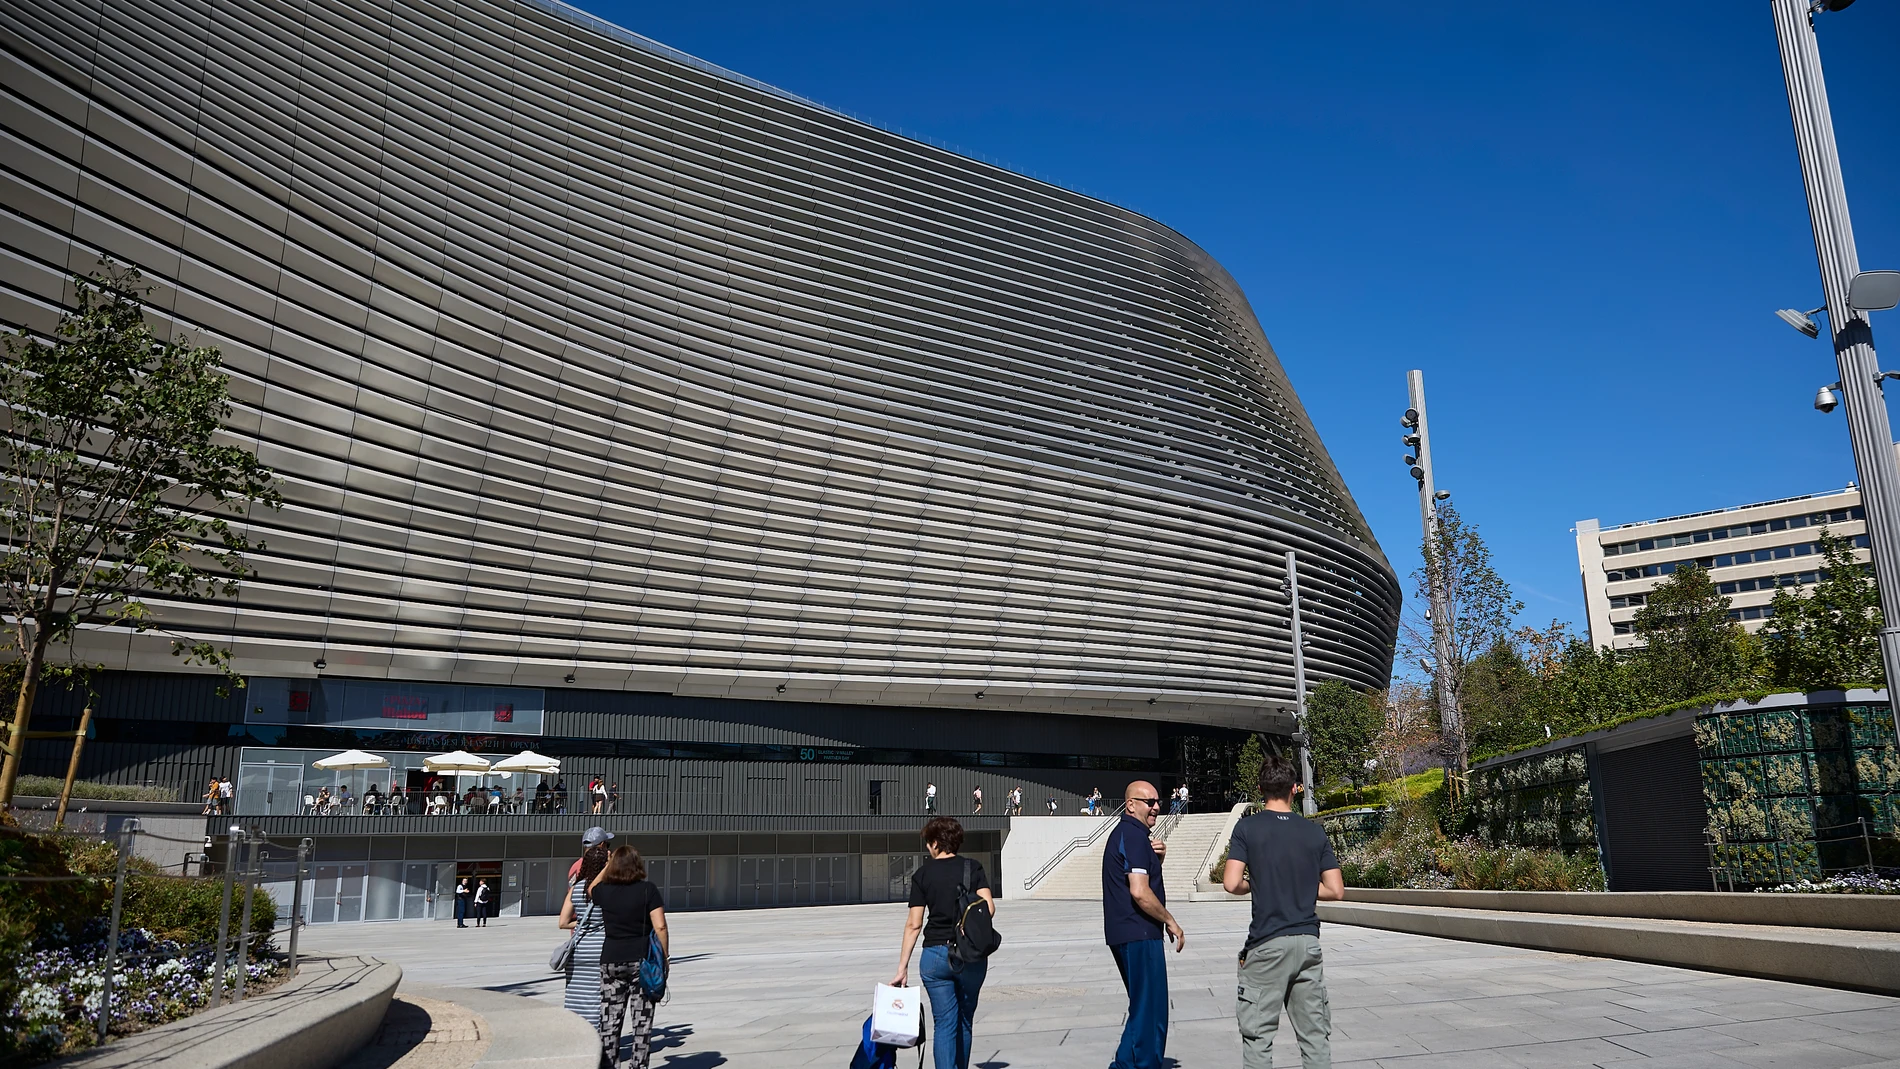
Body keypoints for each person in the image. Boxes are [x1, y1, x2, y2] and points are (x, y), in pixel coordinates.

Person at [1223, 755, 1345, 1069]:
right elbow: (1335, 890)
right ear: (1295, 788)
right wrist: (1302, 885)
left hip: (1266, 943)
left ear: (1260, 788)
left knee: (1258, 1039)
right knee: (1315, 1037)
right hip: (1307, 943)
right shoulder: (1314, 832)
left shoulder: (1247, 828)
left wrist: (1258, 884)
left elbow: (1231, 882)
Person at [892, 816, 995, 1069]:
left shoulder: (922, 874)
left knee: (945, 1023)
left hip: (935, 956)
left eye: (929, 843)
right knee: (964, 1021)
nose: (928, 847)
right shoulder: (973, 868)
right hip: (970, 955)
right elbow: (989, 908)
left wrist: (902, 967)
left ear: (936, 843)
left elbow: (914, 924)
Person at [1103, 779, 1182, 1069]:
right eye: (1149, 802)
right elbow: (1139, 890)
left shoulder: (1130, 836)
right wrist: (1170, 921)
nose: (1156, 807)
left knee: (1142, 1007)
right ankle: (1144, 1064)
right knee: (1151, 1011)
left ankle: (1124, 1064)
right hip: (1139, 932)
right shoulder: (1134, 835)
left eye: (1158, 802)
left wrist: (1156, 859)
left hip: (1127, 932)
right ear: (1131, 804)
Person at [590, 845, 668, 1068]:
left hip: (611, 960)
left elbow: (591, 888)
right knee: (642, 1022)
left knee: (610, 1021)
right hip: (641, 961)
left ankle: (609, 1064)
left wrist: (607, 865)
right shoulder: (648, 890)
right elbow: (660, 926)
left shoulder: (604, 890)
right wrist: (665, 957)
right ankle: (639, 1065)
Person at [559, 840, 613, 1026]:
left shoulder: (576, 888)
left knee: (576, 996)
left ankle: (578, 1035)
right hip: (602, 949)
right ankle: (598, 1040)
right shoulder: (607, 890)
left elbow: (563, 922)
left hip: (579, 948)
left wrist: (583, 923)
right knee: (600, 998)